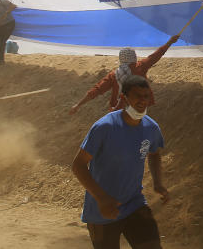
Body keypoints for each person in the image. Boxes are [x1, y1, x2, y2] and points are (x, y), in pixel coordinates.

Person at [72, 75, 168, 249]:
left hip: (135, 204)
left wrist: (158, 183)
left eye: (146, 96)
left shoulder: (151, 127)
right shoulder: (105, 127)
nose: (142, 100)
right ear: (124, 98)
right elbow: (78, 165)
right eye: (137, 95)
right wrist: (102, 198)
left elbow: (154, 153)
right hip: (102, 210)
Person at [69, 35, 180, 115]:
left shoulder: (114, 75)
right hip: (138, 107)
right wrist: (170, 42)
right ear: (134, 57)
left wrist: (78, 105)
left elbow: (96, 90)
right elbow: (156, 56)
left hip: (118, 110)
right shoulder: (140, 67)